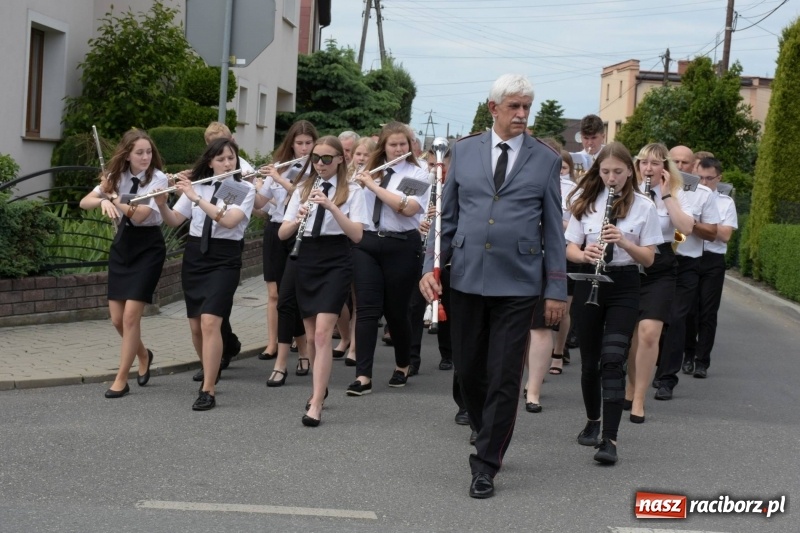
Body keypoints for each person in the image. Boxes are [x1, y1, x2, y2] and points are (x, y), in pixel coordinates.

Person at [419, 74, 567, 499]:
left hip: (519, 281)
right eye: (514, 107)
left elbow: (554, 228)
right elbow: (444, 214)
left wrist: (555, 287)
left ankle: (486, 463)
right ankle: (488, 430)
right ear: (493, 109)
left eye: (527, 107)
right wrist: (430, 266)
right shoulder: (463, 152)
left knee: (504, 374)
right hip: (465, 275)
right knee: (467, 369)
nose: (522, 115)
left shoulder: (545, 159)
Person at [566, 142, 662, 464]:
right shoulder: (586, 202)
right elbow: (570, 248)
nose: (611, 178)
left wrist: (623, 241)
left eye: (618, 172)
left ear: (629, 172)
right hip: (589, 280)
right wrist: (584, 253)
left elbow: (648, 258)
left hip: (624, 284)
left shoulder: (644, 206)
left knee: (612, 358)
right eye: (605, 172)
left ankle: (610, 439)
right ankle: (593, 421)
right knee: (590, 360)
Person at [155, 138, 256, 410]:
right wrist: (162, 202)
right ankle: (210, 368)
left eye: (231, 158)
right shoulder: (199, 185)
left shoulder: (238, 187)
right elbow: (175, 220)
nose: (227, 163)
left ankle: (208, 388)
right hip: (196, 256)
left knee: (212, 322)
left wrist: (195, 196)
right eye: (221, 158)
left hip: (224, 258)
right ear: (210, 161)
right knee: (197, 326)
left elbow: (227, 219)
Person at [279, 136, 369, 426]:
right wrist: (297, 219)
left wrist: (331, 207)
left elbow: (356, 234)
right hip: (306, 257)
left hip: (336, 259)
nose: (320, 163)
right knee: (310, 333)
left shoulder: (353, 190)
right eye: (316, 158)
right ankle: (320, 386)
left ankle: (316, 402)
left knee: (321, 333)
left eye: (327, 158)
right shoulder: (303, 188)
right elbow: (282, 233)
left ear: (341, 159)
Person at [79, 129, 168, 398]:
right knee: (117, 320)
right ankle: (143, 354)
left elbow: (140, 215)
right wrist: (102, 197)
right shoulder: (117, 177)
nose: (145, 157)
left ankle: (121, 378)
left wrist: (112, 198)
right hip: (123, 246)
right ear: (127, 154)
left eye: (149, 152)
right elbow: (85, 202)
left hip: (148, 247)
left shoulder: (158, 179)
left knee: (131, 317)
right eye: (139, 152)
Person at [347, 122, 431, 397]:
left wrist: (371, 183)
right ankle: (363, 375)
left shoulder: (418, 173)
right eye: (393, 145)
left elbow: (405, 208)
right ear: (383, 146)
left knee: (396, 312)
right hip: (368, 243)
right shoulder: (367, 171)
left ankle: (403, 364)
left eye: (403, 144)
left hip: (402, 245)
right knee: (367, 310)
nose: (398, 149)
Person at [624, 143, 694, 419]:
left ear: (665, 167)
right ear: (637, 166)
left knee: (649, 333)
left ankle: (639, 398)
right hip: (630, 262)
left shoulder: (676, 194)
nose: (649, 168)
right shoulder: (628, 192)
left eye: (655, 163)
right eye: (644, 163)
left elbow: (686, 228)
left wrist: (665, 195)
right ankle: (630, 387)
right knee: (631, 337)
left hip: (662, 265)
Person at [652, 146, 720, 400]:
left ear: (694, 166)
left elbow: (712, 232)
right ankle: (648, 365)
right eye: (675, 160)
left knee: (677, 319)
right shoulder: (652, 187)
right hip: (656, 260)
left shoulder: (702, 194)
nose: (680, 165)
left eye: (685, 162)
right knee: (652, 318)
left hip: (686, 262)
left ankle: (667, 378)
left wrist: (689, 224)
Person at [258, 120, 316, 386]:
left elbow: (303, 196)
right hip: (275, 229)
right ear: (291, 144)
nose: (303, 148)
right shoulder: (282, 165)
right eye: (299, 143)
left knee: (292, 295)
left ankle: (303, 349)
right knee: (277, 294)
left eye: (308, 143)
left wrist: (279, 178)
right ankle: (289, 348)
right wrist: (251, 185)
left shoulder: (316, 168)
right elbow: (261, 202)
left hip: (297, 230)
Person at [685, 157, 738, 378]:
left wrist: (696, 225)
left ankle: (702, 361)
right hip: (690, 256)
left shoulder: (725, 202)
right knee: (688, 309)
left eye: (710, 178)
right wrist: (704, 228)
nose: (705, 183)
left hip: (712, 260)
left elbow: (724, 235)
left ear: (719, 178)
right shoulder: (688, 198)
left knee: (708, 311)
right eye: (700, 178)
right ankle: (687, 355)